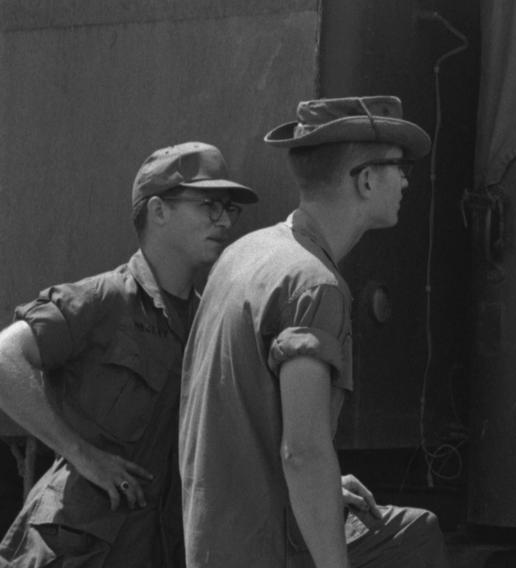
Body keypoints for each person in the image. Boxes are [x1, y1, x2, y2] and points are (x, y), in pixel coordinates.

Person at [179, 96, 448, 568]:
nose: (406, 179)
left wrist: (326, 489)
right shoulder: (315, 285)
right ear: (366, 180)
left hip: (213, 537)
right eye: (399, 167)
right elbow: (302, 453)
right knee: (416, 538)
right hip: (265, 549)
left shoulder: (244, 253)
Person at [0, 142, 257, 566]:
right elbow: (6, 360)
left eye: (229, 209)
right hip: (71, 546)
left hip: (150, 548)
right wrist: (84, 456)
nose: (224, 220)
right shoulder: (104, 299)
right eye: (209, 204)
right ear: (158, 211)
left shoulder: (204, 321)